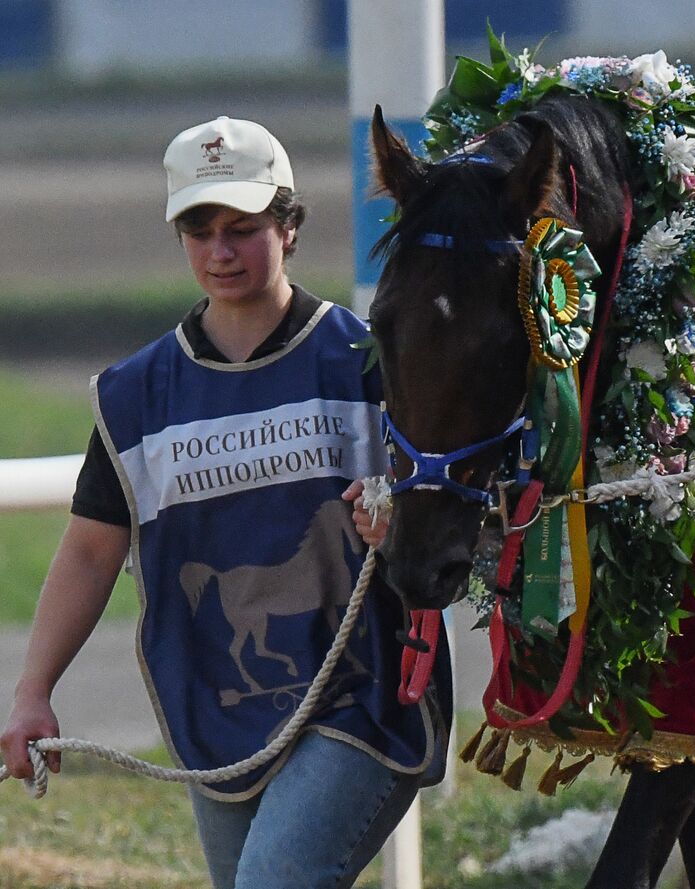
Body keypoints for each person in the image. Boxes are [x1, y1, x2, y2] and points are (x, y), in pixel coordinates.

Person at [1, 116, 449, 889]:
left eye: (243, 228)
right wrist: (32, 692)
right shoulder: (135, 394)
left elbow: (446, 508)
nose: (221, 251)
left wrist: (400, 523)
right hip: (218, 711)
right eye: (200, 230)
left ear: (290, 226)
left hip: (361, 698)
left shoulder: (366, 360)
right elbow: (89, 549)